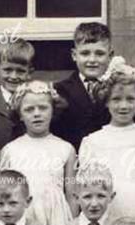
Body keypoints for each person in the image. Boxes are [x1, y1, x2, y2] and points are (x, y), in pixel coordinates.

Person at [79, 56, 135, 225]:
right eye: (116, 99)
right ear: (106, 101)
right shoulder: (92, 141)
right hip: (105, 211)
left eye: (130, 99)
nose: (123, 106)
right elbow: (84, 187)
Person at [0, 80, 77, 225]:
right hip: (24, 214)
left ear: (52, 111)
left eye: (43, 108)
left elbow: (71, 193)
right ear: (20, 114)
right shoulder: (10, 150)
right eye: (29, 109)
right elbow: (3, 191)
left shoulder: (65, 148)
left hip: (56, 215)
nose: (37, 113)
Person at [52, 22, 114, 150]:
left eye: (99, 53)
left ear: (110, 55)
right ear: (74, 55)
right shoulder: (59, 90)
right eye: (85, 53)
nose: (92, 60)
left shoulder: (118, 88)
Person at [0, 39, 33, 149]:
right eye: (8, 70)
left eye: (20, 71)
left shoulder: (35, 103)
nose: (13, 76)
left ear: (29, 73)